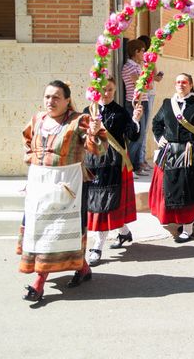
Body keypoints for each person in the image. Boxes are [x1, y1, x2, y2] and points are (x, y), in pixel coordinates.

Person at [19, 80, 107, 302]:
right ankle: (83, 268)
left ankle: (38, 283)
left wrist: (94, 135)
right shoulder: (38, 119)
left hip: (68, 187)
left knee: (55, 232)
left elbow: (98, 149)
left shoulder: (80, 121)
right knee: (39, 230)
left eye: (56, 97)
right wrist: (34, 161)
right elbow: (27, 141)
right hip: (40, 185)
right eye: (47, 96)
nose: (51, 101)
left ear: (67, 100)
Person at [148, 73, 194, 243]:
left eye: (184, 82)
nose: (181, 84)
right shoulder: (167, 104)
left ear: (191, 85)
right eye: (178, 81)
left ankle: (188, 229)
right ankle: (183, 221)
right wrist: (160, 138)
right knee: (173, 189)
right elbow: (156, 123)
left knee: (189, 190)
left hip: (192, 154)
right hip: (171, 153)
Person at [83, 77, 143, 266]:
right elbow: (80, 137)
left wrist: (135, 120)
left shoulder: (121, 112)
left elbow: (132, 136)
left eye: (109, 89)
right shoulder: (87, 112)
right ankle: (124, 233)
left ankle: (97, 246)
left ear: (114, 91)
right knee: (97, 204)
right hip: (93, 162)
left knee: (106, 204)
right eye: (103, 89)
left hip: (114, 163)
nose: (106, 93)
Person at [121, 39, 149, 177]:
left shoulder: (138, 66)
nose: (144, 53)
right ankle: (129, 166)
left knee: (141, 134)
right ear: (136, 52)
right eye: (142, 51)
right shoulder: (129, 67)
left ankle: (137, 166)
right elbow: (141, 84)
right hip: (134, 104)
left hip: (142, 101)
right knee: (136, 137)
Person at [139, 35, 165, 170]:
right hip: (147, 94)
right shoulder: (147, 59)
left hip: (146, 94)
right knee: (143, 129)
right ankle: (141, 160)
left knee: (143, 128)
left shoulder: (141, 59)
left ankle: (141, 159)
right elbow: (152, 76)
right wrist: (157, 76)